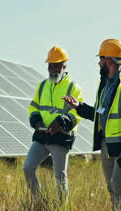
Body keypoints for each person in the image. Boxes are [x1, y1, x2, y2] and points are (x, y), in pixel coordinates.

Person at [63, 39, 121, 211]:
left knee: (119, 186)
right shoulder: (104, 86)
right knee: (111, 187)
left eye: (100, 59)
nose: (98, 63)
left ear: (108, 61)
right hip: (108, 145)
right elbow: (100, 115)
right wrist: (79, 107)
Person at [23, 46, 83, 201]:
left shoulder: (73, 87)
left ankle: (62, 210)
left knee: (59, 177)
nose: (53, 69)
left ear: (64, 66)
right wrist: (36, 120)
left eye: (56, 65)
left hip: (61, 136)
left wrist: (61, 122)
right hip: (42, 135)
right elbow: (33, 107)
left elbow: (77, 113)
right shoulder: (42, 86)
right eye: (50, 65)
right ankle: (39, 202)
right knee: (28, 168)